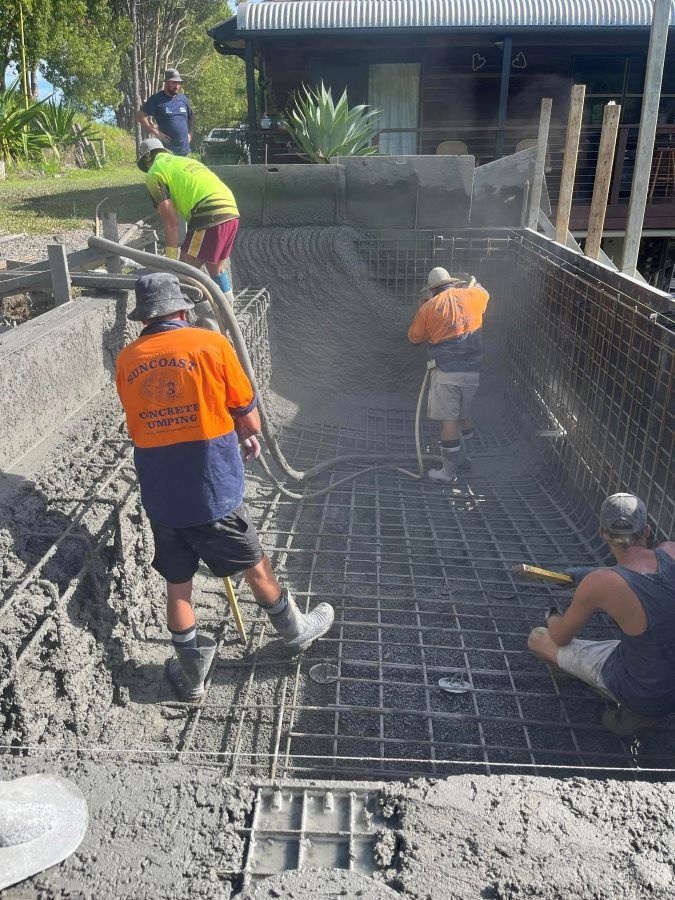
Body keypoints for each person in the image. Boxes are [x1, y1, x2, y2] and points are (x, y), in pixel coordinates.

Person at [115, 272, 334, 701]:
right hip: (212, 488)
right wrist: (241, 430)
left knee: (177, 586)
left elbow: (138, 416)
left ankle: (193, 678)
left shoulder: (127, 359)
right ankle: (295, 632)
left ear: (144, 318)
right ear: (182, 310)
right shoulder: (211, 345)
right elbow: (250, 419)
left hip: (161, 492)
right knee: (256, 565)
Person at [528, 493, 675, 735]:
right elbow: (644, 573)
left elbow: (561, 637)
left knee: (539, 638)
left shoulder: (601, 583)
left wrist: (553, 616)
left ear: (603, 533)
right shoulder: (671, 550)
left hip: (646, 695)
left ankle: (632, 712)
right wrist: (592, 574)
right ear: (647, 530)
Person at [136, 137, 239, 328]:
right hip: (231, 210)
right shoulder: (186, 161)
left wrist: (170, 262)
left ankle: (208, 325)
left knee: (183, 275)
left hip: (209, 213)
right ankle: (230, 319)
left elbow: (172, 222)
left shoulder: (154, 173)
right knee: (215, 267)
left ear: (146, 159)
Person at [408, 267, 490, 483]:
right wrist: (471, 285)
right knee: (463, 415)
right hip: (473, 372)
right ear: (452, 283)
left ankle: (448, 472)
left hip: (447, 374)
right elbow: (484, 292)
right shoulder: (473, 295)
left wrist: (422, 308)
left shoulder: (429, 307)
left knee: (449, 421)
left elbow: (415, 338)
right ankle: (468, 457)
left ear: (432, 290)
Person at [136, 67, 193, 157]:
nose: (177, 86)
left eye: (178, 83)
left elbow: (191, 117)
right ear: (166, 83)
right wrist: (157, 133)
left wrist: (190, 134)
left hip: (184, 149)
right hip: (167, 150)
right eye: (173, 83)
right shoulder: (157, 99)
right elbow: (140, 116)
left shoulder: (183, 99)